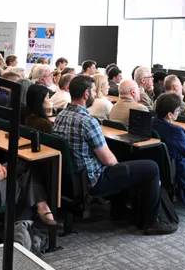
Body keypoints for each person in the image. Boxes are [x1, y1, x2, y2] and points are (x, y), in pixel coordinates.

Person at [52, 75, 176, 235]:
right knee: (151, 167)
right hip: (94, 180)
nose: (96, 95)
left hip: (72, 178)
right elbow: (108, 160)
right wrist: (122, 170)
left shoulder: (60, 115)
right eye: (93, 92)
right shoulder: (88, 122)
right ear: (86, 94)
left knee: (125, 163)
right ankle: (153, 222)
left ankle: (119, 210)